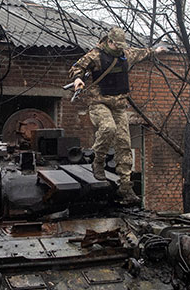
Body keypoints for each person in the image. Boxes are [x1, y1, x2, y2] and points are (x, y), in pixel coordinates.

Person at [69, 28, 168, 205]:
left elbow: (143, 53)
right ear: (110, 42)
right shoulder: (96, 55)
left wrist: (156, 51)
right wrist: (78, 79)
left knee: (124, 144)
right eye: (117, 45)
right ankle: (98, 161)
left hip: (119, 105)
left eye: (123, 46)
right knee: (108, 128)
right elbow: (77, 67)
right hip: (99, 102)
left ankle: (125, 186)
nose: (120, 48)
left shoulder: (126, 54)